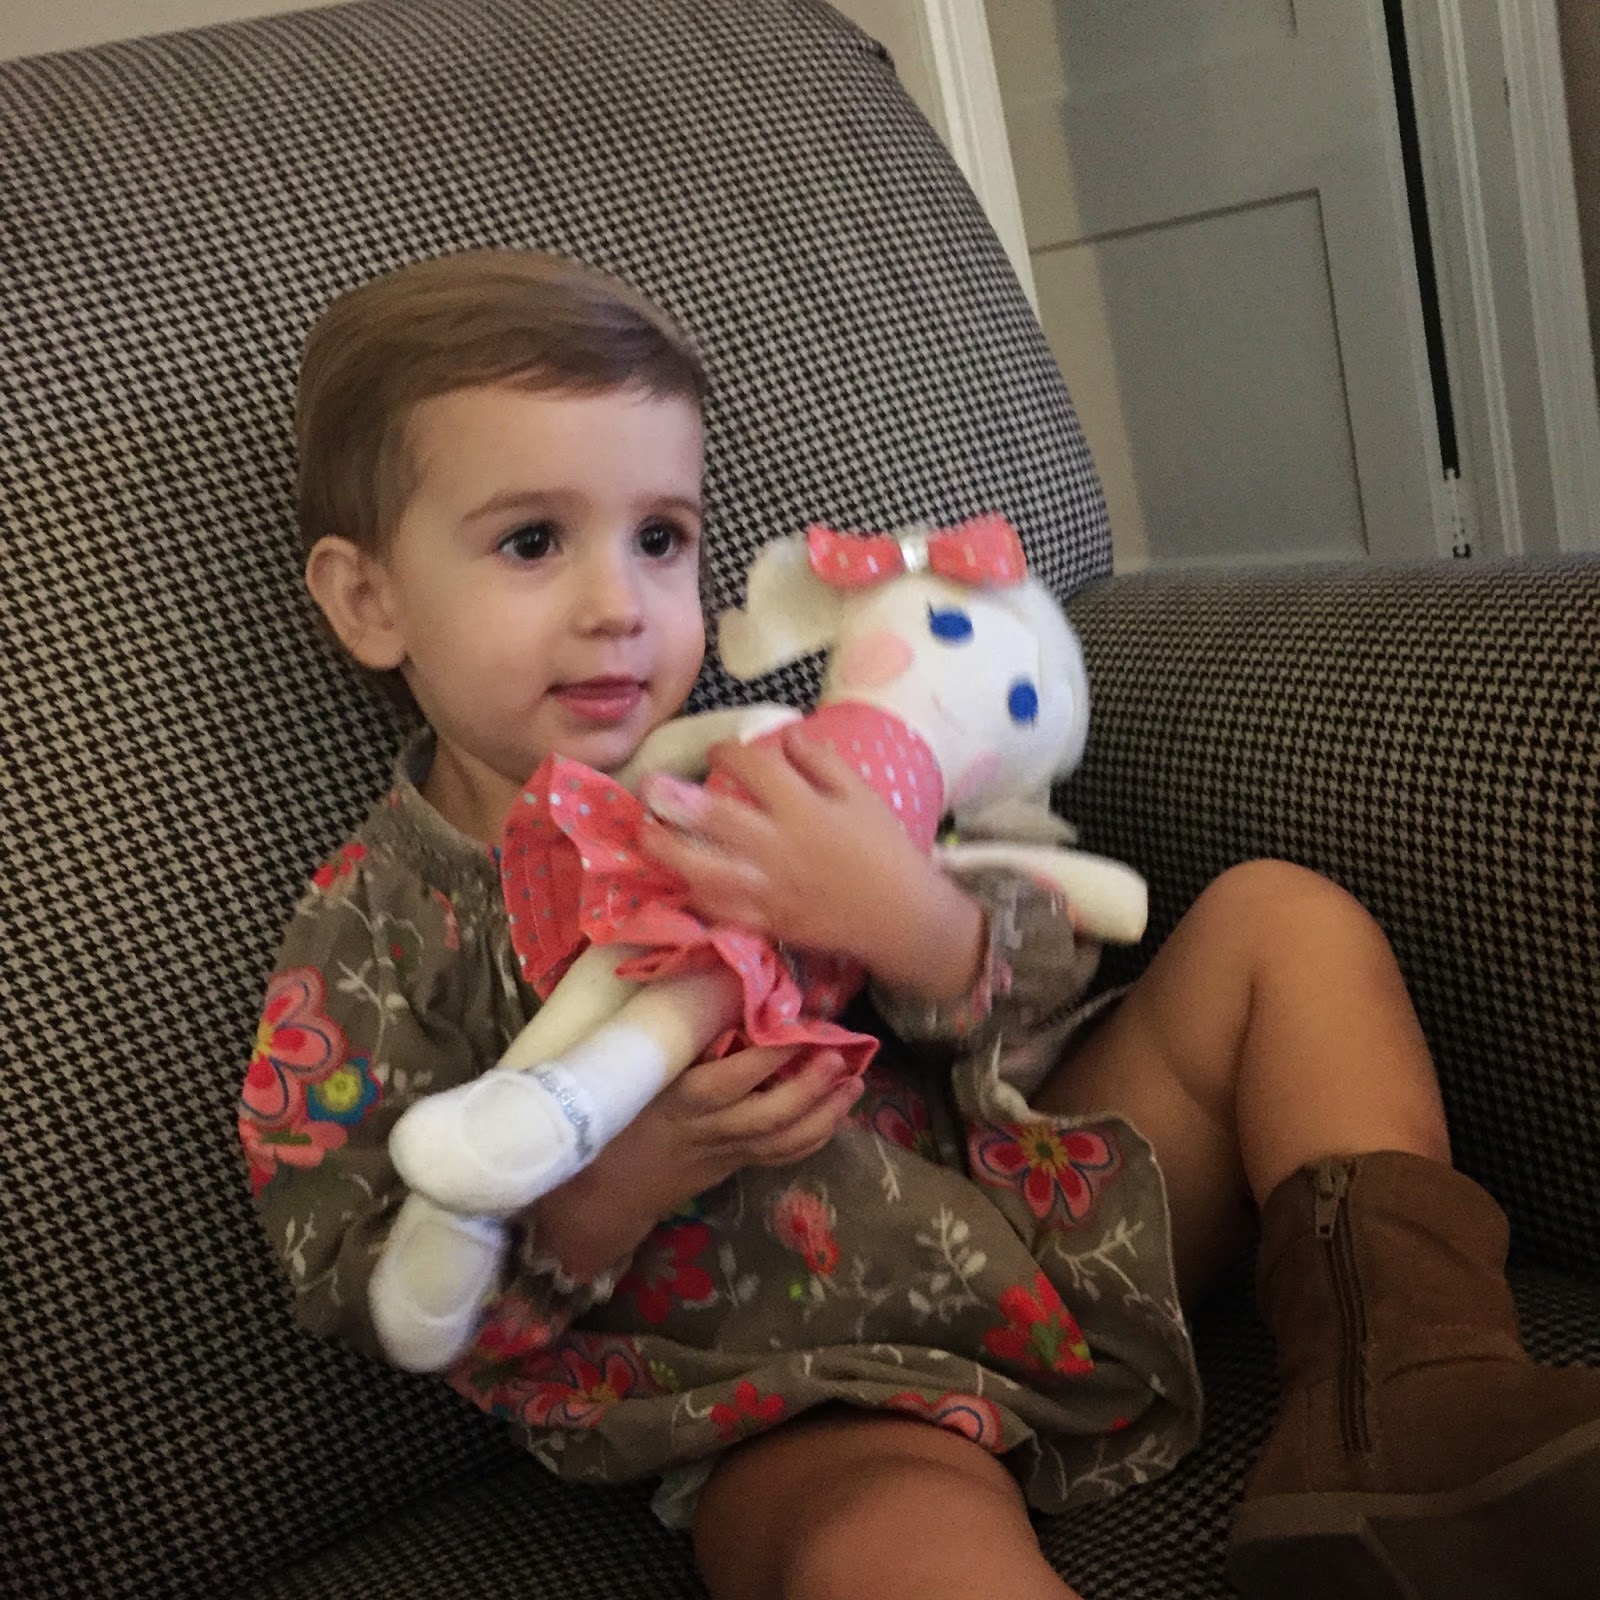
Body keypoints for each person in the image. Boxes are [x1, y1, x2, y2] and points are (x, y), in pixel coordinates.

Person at [242, 247, 1600, 1600]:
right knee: (877, 1551)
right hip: (799, 1393)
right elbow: (375, 1284)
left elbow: (1048, 973)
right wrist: (616, 1184)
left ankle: (1410, 1404)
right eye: (533, 542)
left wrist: (915, 922)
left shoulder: (766, 769)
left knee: (1279, 925)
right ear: (371, 600)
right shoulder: (373, 938)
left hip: (1039, 1204)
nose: (617, 607)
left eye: (660, 538)